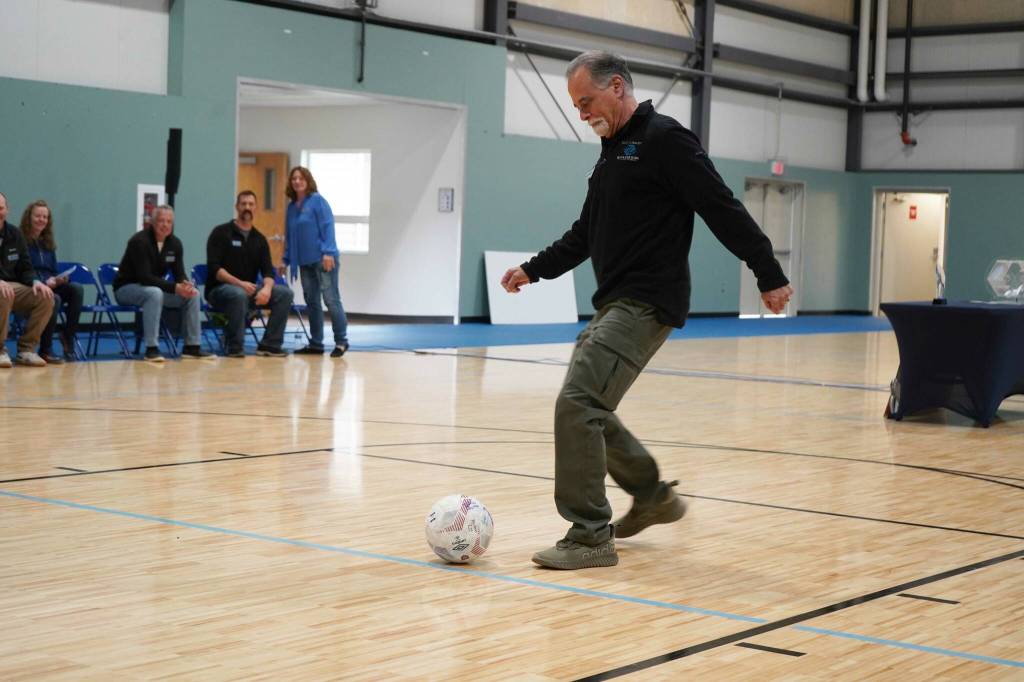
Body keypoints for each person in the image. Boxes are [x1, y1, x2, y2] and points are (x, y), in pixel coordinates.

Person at [500, 51, 794, 570]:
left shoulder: (664, 139)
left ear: (617, 87)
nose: (582, 112)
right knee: (588, 408)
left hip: (646, 301)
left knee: (578, 405)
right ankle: (653, 496)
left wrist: (767, 271)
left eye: (586, 101)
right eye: (575, 105)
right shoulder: (611, 152)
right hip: (614, 303)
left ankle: (590, 535)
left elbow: (720, 206)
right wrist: (532, 269)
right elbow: (583, 234)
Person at [113, 204, 212, 362]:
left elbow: (179, 273)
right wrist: (174, 288)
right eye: (161, 221)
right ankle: (151, 348)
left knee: (193, 294)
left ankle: (192, 347)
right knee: (155, 293)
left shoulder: (175, 244)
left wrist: (185, 285)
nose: (165, 225)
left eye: (169, 221)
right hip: (127, 288)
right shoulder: (139, 241)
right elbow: (144, 277)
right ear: (152, 222)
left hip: (152, 290)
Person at [206, 190, 294, 357]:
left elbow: (268, 270)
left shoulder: (259, 239)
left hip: (248, 290)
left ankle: (270, 344)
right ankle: (235, 347)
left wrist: (266, 289)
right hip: (220, 291)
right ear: (237, 207)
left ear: (256, 208)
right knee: (238, 294)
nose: (247, 207)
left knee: (285, 293)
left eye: (251, 204)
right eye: (243, 204)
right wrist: (240, 283)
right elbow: (215, 269)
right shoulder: (220, 233)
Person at [282, 166, 350, 357]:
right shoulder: (291, 207)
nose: (297, 181)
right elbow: (290, 235)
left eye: (301, 178)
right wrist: (285, 259)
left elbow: (328, 227)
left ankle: (341, 341)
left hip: (323, 259)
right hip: (304, 262)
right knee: (312, 302)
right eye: (294, 178)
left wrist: (328, 252)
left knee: (331, 300)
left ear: (308, 181)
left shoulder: (318, 202)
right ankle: (316, 343)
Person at [22, 199, 84, 363]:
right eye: (38, 216)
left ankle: (67, 336)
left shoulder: (48, 243)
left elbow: (53, 271)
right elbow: (22, 271)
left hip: (49, 284)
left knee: (76, 289)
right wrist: (43, 281)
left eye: (45, 217)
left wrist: (61, 279)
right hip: (32, 286)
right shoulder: (20, 240)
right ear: (29, 217)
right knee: (53, 298)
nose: (42, 220)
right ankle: (46, 349)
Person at [0, 191, 55, 368]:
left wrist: (36, 282)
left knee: (46, 296)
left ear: (7, 210)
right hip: (3, 289)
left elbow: (25, 267)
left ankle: (27, 349)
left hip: (12, 285)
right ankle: (0, 349)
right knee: (4, 293)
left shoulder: (15, 234)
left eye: (1, 208)